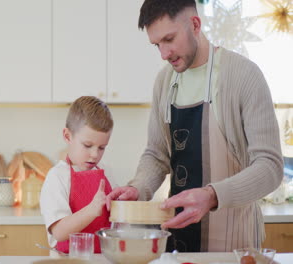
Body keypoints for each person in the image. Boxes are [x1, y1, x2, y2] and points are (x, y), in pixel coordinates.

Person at [106, 0, 283, 252]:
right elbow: (156, 155)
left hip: (233, 246)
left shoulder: (244, 75)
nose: (164, 54)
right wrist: (138, 188)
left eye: (169, 39)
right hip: (177, 241)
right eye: (157, 44)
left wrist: (212, 195)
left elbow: (270, 167)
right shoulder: (164, 82)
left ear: (195, 24)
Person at [40, 96, 116, 253]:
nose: (95, 155)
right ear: (68, 136)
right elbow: (59, 232)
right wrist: (92, 210)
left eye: (102, 147)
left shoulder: (105, 171)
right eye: (87, 145)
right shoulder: (57, 177)